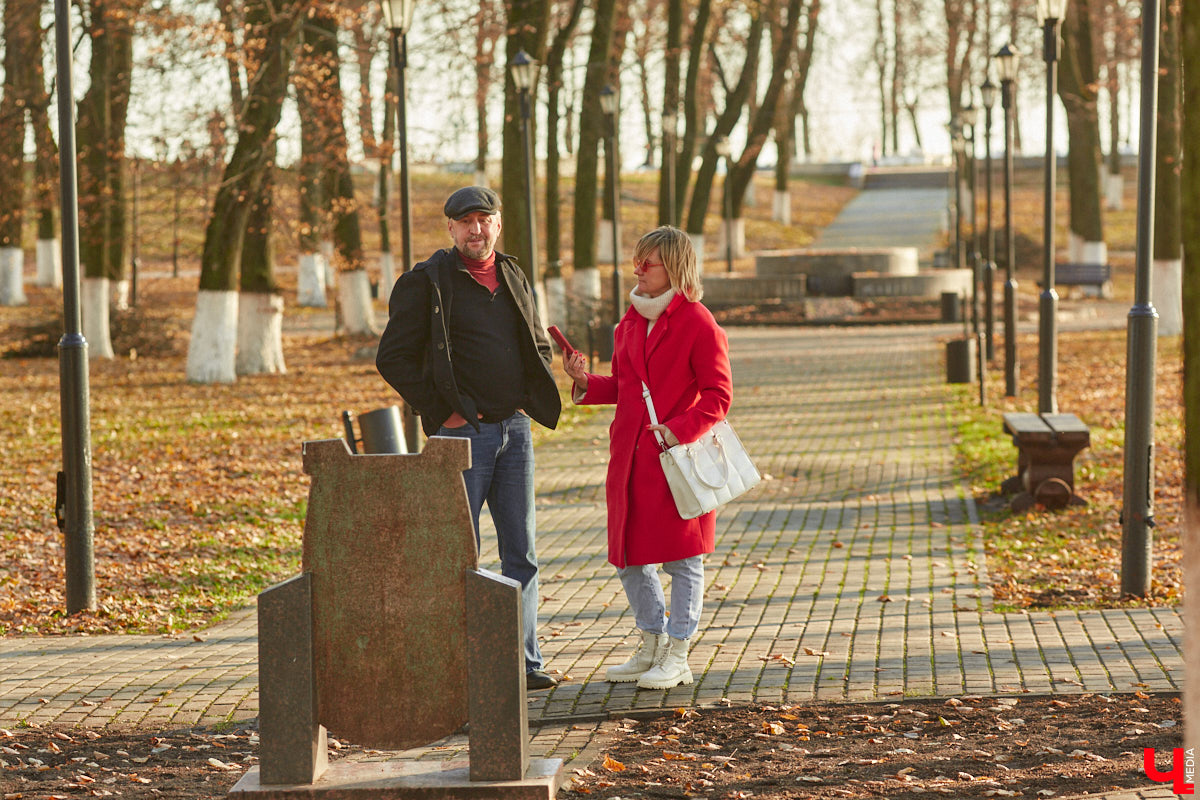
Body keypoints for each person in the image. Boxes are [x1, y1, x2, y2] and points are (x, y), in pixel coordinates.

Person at [376, 185, 562, 691]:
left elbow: (535, 341)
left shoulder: (514, 273)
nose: (476, 230)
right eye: (465, 221)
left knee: (520, 552)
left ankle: (524, 664)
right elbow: (392, 358)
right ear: (451, 229)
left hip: (514, 430)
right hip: (465, 437)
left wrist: (530, 394)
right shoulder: (426, 283)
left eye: (485, 219)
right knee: (462, 552)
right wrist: (445, 414)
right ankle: (464, 667)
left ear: (498, 224)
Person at [562, 226, 732, 690]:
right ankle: (652, 642)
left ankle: (678, 653)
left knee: (683, 559)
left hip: (677, 459)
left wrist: (677, 430)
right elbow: (622, 386)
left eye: (648, 262)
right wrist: (582, 380)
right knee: (629, 559)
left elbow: (719, 395)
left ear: (674, 267)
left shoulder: (698, 323)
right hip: (630, 460)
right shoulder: (630, 322)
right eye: (636, 260)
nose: (637, 270)